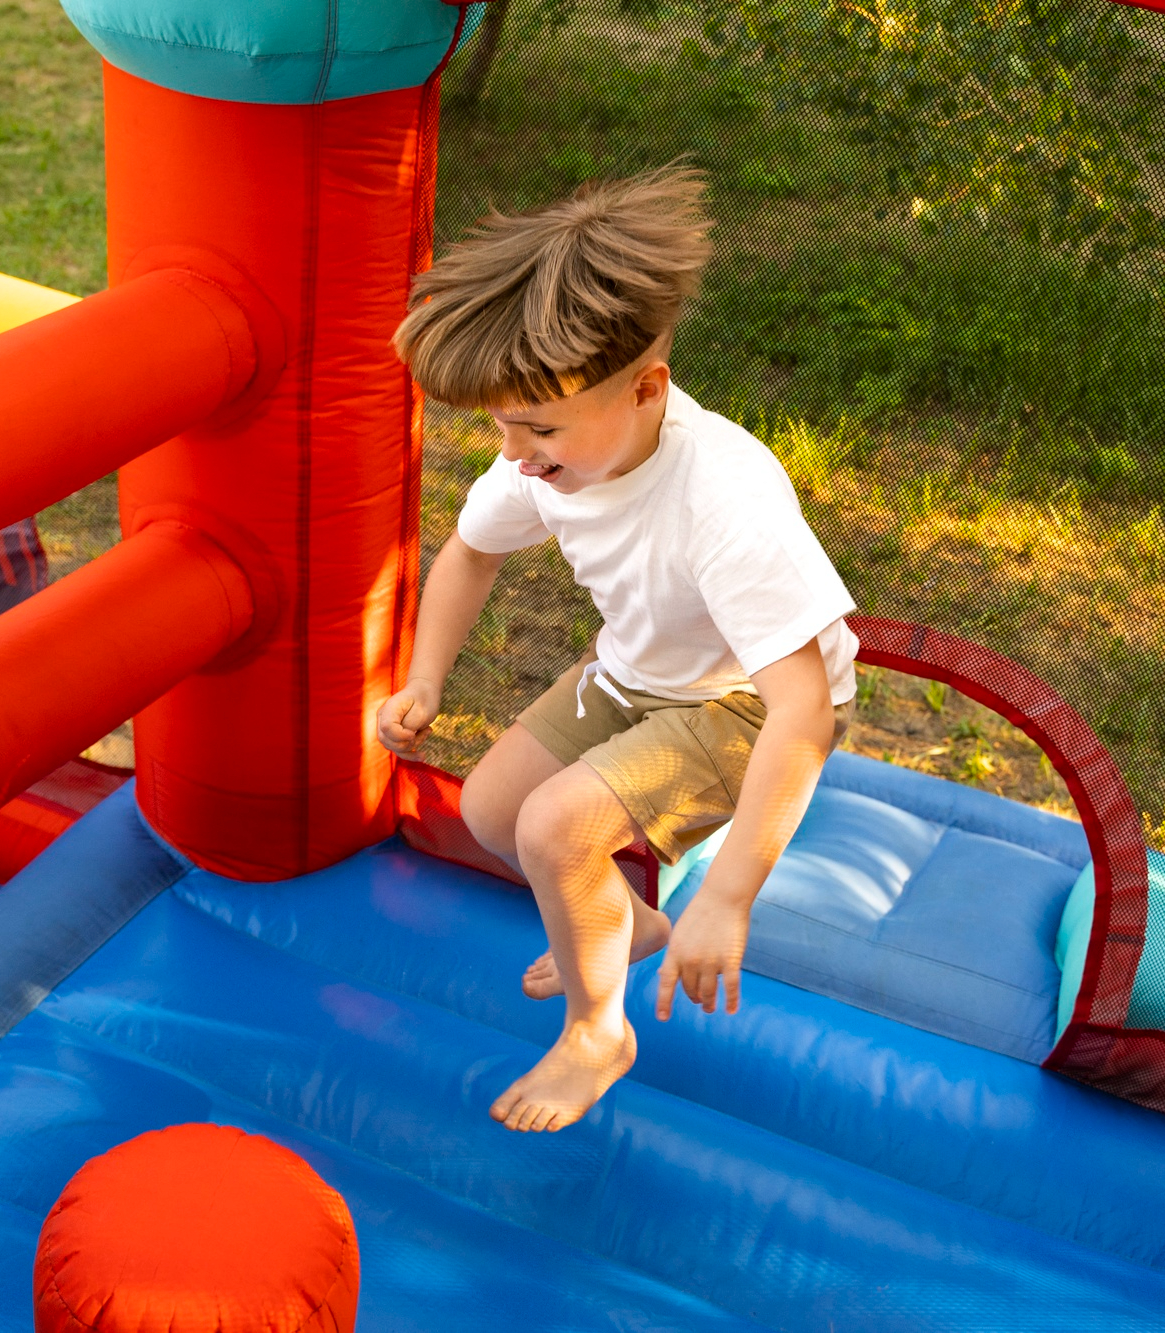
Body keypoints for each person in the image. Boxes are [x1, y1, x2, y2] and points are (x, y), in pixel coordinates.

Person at [377, 165, 859, 1133]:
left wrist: (727, 894)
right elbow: (469, 549)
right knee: (492, 810)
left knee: (555, 828)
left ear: (647, 389)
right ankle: (620, 922)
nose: (512, 453)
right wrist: (425, 674)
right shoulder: (549, 457)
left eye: (537, 426)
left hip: (746, 703)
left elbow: (802, 707)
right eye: (499, 425)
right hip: (637, 671)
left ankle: (598, 1031)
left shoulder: (723, 502)